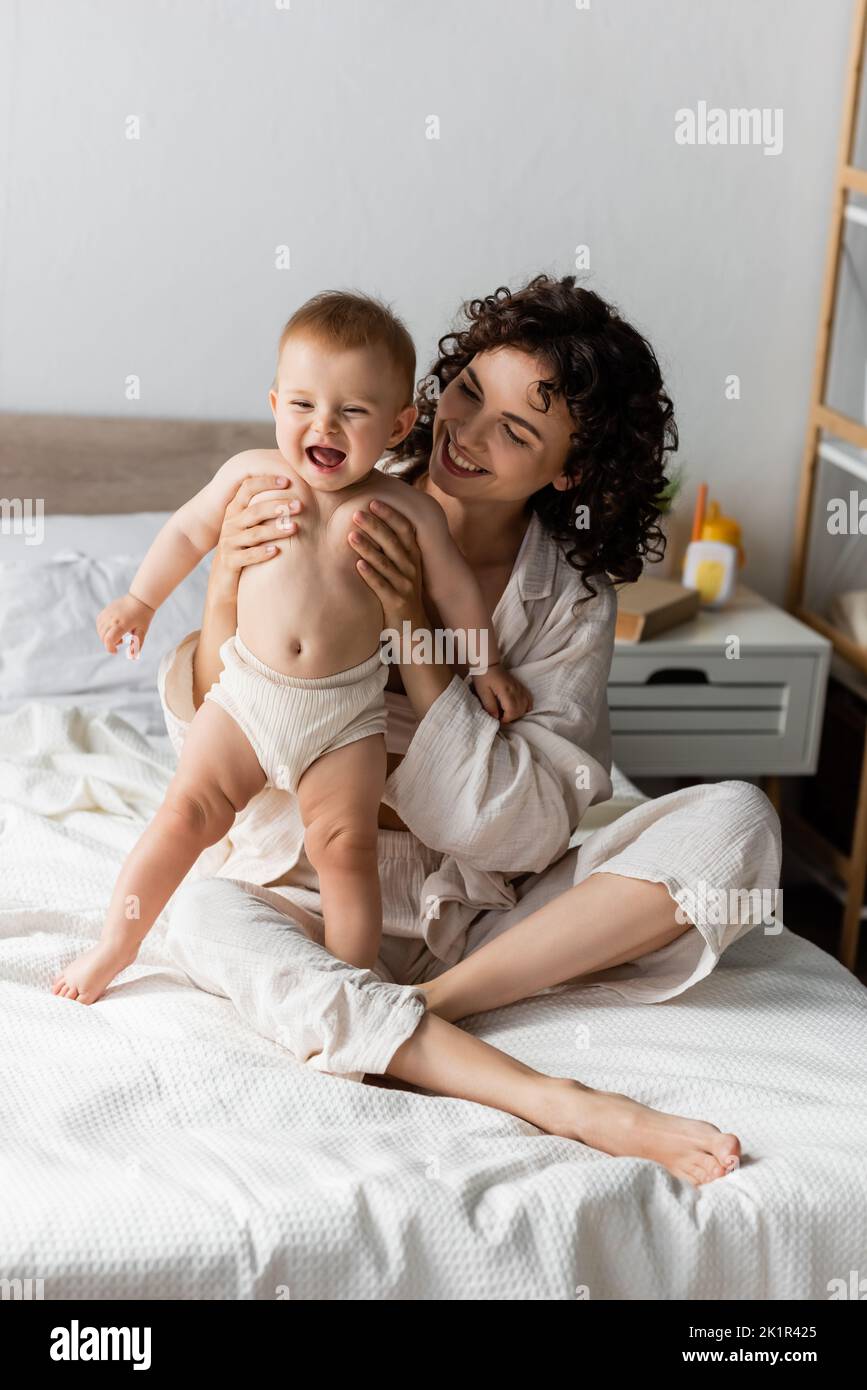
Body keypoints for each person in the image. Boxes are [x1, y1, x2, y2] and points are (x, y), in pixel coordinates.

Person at [141, 275, 783, 1186]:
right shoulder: (315, 487)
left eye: (516, 430)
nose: (467, 433)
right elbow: (214, 752)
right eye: (468, 392)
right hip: (307, 891)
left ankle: (416, 1008)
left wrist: (413, 627)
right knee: (200, 911)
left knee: (738, 823)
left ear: (568, 470)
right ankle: (555, 1099)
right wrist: (217, 591)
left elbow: (508, 830)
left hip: (481, 918)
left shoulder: (570, 599)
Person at [51, 291, 531, 998]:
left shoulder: (406, 508)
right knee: (184, 813)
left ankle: (352, 987)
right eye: (302, 404)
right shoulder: (250, 476)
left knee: (347, 850)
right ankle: (113, 948)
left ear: (399, 425)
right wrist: (139, 599)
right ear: (275, 404)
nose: (324, 425)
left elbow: (456, 592)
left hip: (344, 716)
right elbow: (187, 533)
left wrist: (484, 666)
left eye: (353, 411)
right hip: (247, 696)